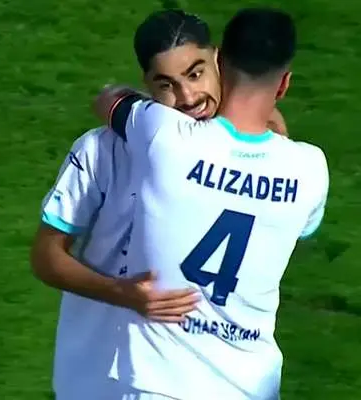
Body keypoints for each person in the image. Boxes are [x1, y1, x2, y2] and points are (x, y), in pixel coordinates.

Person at [32, 9, 289, 400]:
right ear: (146, 85)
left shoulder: (265, 155)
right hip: (99, 376)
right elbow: (46, 257)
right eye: (166, 84)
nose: (187, 97)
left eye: (195, 74)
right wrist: (120, 292)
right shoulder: (100, 150)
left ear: (219, 61)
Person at [95, 7, 328, 399]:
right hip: (250, 388)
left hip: (160, 387)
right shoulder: (310, 169)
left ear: (219, 62)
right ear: (284, 84)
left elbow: (110, 100)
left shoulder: (163, 135)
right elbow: (302, 229)